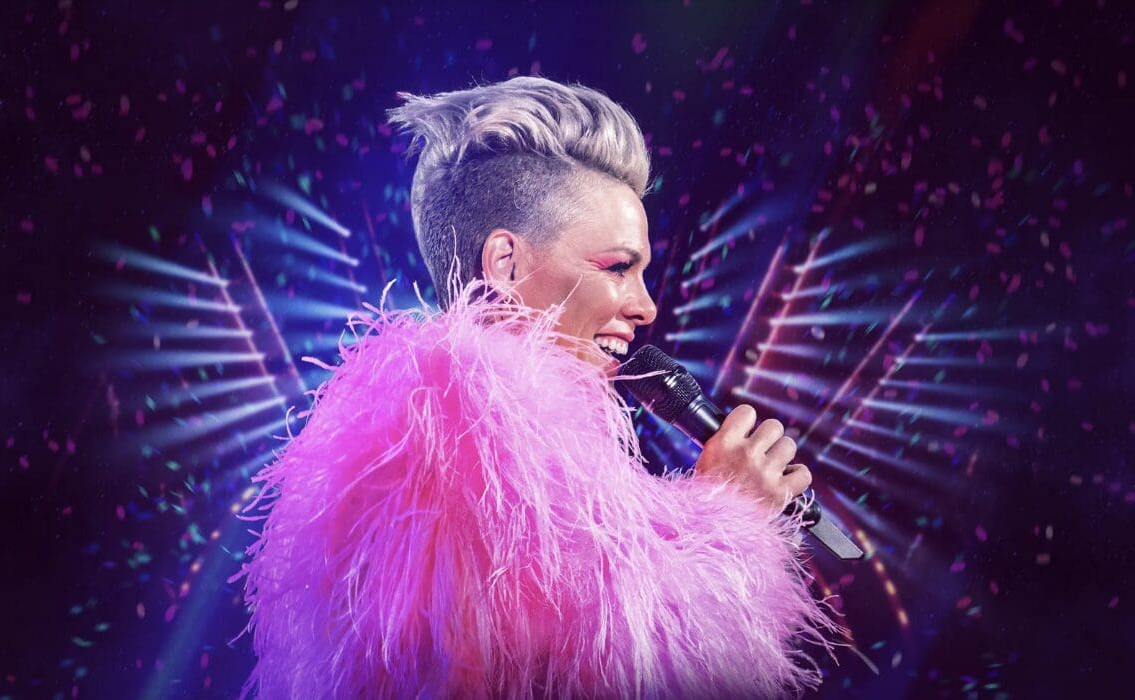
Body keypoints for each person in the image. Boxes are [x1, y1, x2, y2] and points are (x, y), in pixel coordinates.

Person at [237, 76, 836, 698]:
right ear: (507, 264)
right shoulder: (456, 433)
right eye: (618, 267)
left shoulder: (481, 451)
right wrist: (729, 518)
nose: (645, 306)